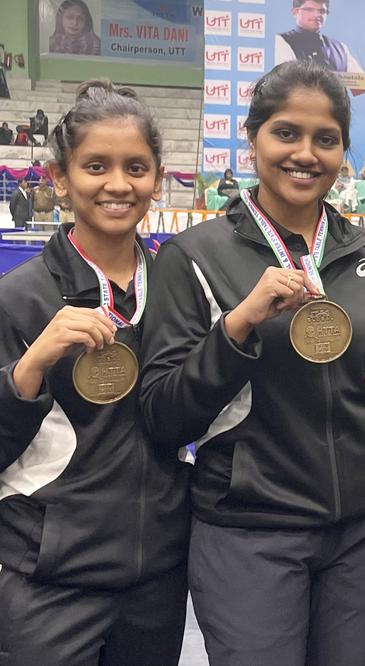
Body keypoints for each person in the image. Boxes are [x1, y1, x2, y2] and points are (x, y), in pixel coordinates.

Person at [139, 60, 365, 665]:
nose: (305, 153)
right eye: (286, 133)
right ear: (252, 139)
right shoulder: (193, 257)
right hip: (249, 532)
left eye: (325, 139)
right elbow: (163, 414)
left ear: (342, 153)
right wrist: (239, 324)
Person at [0, 79, 189, 665]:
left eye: (136, 168)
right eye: (95, 166)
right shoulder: (19, 297)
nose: (117, 184)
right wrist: (31, 365)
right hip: (46, 581)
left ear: (157, 180)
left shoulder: (178, 288)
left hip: (155, 578)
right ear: (61, 178)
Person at [274, 0, 365, 76]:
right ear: (295, 12)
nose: (317, 15)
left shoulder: (340, 47)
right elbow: (283, 82)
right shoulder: (282, 41)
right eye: (309, 9)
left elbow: (361, 85)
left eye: (322, 11)